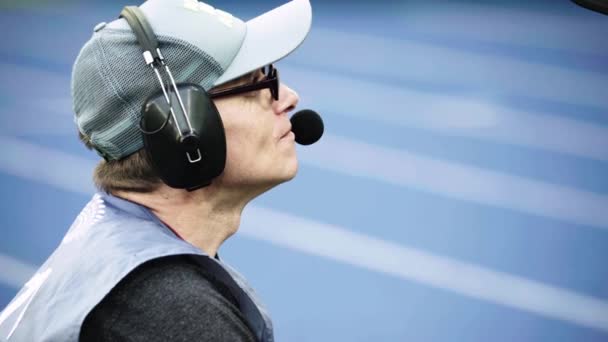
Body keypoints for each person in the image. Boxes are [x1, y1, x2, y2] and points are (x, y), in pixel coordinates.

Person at [0, 0, 312, 341]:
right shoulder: (175, 312)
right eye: (256, 83)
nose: (289, 97)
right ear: (184, 130)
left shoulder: (114, 256)